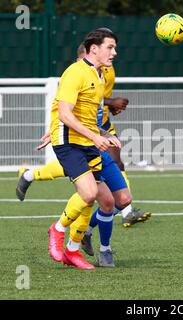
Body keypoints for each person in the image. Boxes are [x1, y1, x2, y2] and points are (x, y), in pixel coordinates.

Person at [16, 43, 151, 228]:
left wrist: (109, 107)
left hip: (99, 126)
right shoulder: (74, 74)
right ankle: (65, 226)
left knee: (113, 163)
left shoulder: (107, 70)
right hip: (78, 130)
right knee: (86, 183)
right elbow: (64, 107)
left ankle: (121, 212)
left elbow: (95, 97)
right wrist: (56, 128)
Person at [47, 28, 122, 270]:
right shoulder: (75, 72)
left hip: (87, 141)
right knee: (89, 193)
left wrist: (105, 134)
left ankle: (72, 251)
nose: (114, 52)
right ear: (94, 49)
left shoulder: (100, 76)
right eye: (110, 47)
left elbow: (89, 118)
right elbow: (66, 114)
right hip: (69, 142)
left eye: (114, 48)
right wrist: (94, 136)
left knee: (102, 200)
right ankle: (57, 229)